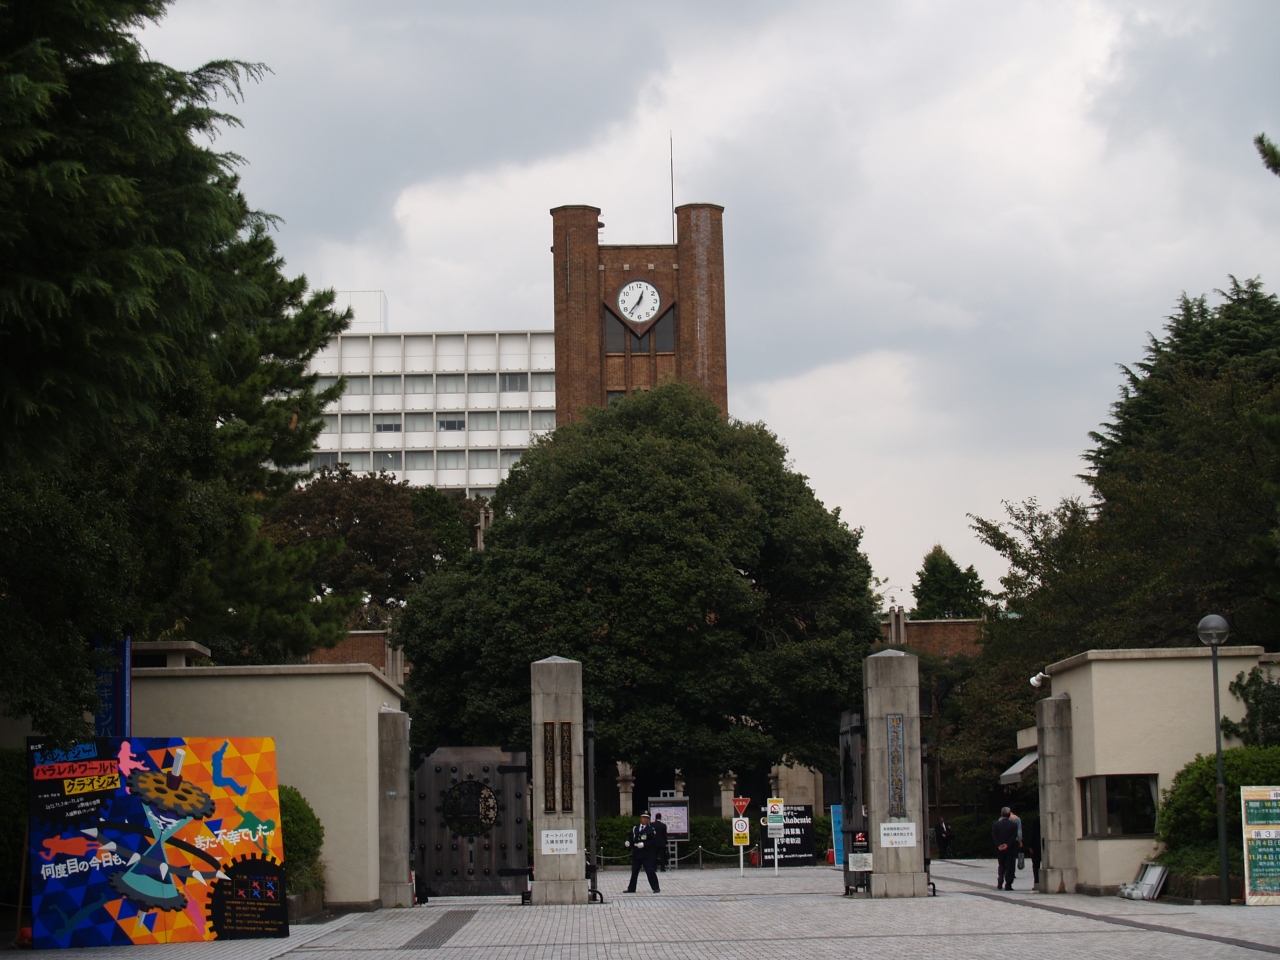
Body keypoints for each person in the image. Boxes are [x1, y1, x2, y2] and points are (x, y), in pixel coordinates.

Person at [624, 811, 660, 893]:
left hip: (646, 854)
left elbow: (653, 841)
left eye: (646, 818)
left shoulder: (651, 829)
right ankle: (631, 888)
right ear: (640, 818)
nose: (645, 819)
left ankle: (655, 887)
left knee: (650, 871)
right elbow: (632, 839)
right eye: (643, 817)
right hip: (637, 853)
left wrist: (644, 844)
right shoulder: (635, 828)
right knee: (634, 872)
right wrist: (629, 842)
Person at [992, 807, 1019, 890]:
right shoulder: (1014, 825)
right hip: (1010, 849)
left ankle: (1000, 880)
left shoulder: (996, 824)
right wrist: (1007, 845)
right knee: (1010, 866)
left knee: (1001, 864)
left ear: (1001, 814)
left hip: (1000, 849)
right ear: (1009, 814)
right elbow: (1014, 837)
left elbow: (994, 836)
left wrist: (999, 845)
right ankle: (1008, 884)